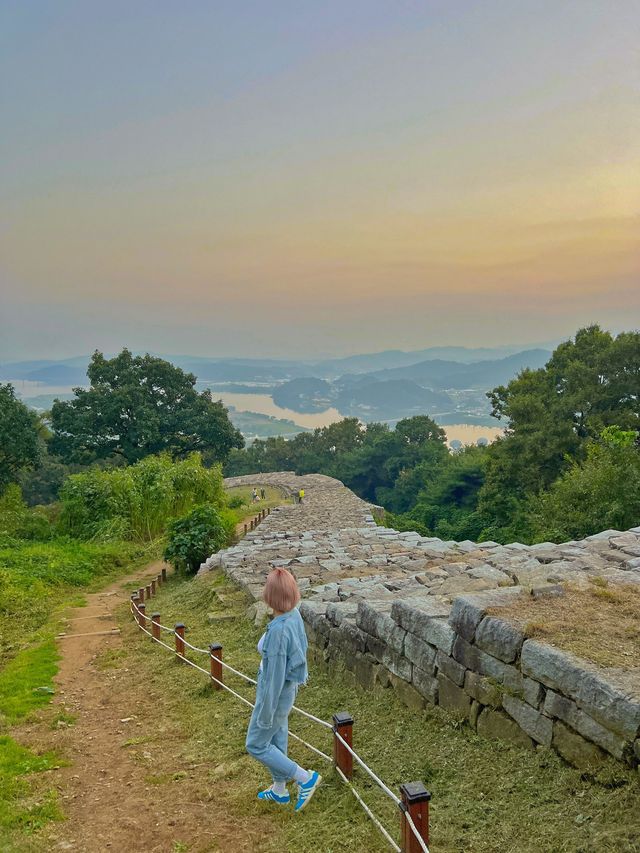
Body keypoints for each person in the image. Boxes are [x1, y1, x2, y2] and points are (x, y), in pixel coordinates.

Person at [245, 568, 321, 812]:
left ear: (269, 596)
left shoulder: (278, 631)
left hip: (275, 692)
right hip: (288, 689)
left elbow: (274, 676)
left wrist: (265, 711)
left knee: (256, 743)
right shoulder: (293, 615)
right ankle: (279, 789)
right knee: (277, 736)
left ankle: (304, 777)